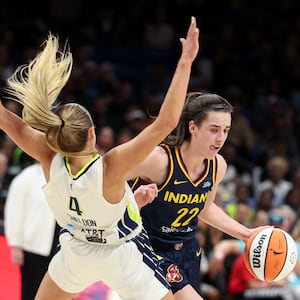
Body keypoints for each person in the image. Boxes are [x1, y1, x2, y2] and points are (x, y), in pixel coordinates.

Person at [0, 16, 199, 300]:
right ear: (92, 134)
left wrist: (131, 202)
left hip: (76, 251)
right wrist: (186, 61)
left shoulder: (47, 157)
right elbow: (165, 123)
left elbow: (11, 123)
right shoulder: (110, 167)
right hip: (121, 255)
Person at [129, 93, 270, 299]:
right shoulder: (159, 160)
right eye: (213, 130)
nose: (221, 138)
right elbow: (109, 175)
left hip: (188, 251)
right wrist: (132, 202)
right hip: (150, 249)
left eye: (225, 130)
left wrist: (246, 234)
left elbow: (204, 207)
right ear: (193, 127)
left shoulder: (217, 165)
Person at [4, 162, 60, 300]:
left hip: (60, 246)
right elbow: (14, 210)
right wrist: (16, 244)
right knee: (31, 291)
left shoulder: (64, 174)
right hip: (34, 247)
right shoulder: (27, 176)